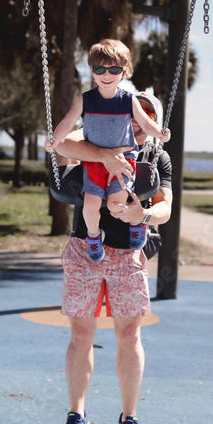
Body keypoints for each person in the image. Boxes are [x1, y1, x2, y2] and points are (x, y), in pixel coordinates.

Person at [53, 91, 173, 424]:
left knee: (129, 335)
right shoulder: (92, 141)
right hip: (84, 249)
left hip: (128, 253)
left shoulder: (156, 157)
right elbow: (62, 145)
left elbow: (166, 206)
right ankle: (77, 416)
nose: (137, 124)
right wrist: (104, 154)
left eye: (146, 117)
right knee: (80, 335)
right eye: (133, 115)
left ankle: (130, 419)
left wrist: (145, 217)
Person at [45, 39, 170, 262]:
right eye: (100, 69)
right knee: (91, 206)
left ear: (124, 73)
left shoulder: (155, 153)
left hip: (129, 245)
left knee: (116, 206)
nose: (106, 74)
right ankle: (94, 237)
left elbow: (166, 209)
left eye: (114, 69)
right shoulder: (87, 106)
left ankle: (136, 226)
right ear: (92, 71)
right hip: (93, 174)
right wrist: (56, 140)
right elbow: (65, 132)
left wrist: (160, 132)